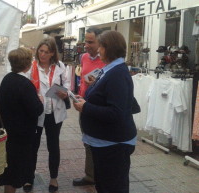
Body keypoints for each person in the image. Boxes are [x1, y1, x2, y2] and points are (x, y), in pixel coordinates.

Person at [73, 30, 137, 193]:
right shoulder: (111, 70)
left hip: (113, 145)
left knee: (113, 187)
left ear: (109, 48)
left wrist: (85, 107)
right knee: (104, 185)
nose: (98, 50)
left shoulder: (117, 74)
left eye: (100, 47)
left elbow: (116, 113)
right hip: (106, 144)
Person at [0, 47, 44, 193]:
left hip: (7, 133)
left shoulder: (7, 79)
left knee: (9, 170)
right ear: (28, 64)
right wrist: (39, 101)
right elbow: (36, 110)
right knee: (14, 174)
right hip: (20, 137)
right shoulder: (25, 84)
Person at [24, 37, 70, 193]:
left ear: (52, 53)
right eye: (40, 51)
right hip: (36, 112)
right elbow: (25, 87)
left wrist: (65, 94)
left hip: (54, 112)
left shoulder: (60, 66)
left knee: (53, 146)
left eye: (46, 52)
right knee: (32, 146)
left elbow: (67, 86)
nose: (42, 54)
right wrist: (33, 95)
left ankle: (54, 178)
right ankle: (29, 178)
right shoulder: (31, 67)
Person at [73, 27, 105, 186]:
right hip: (84, 105)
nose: (86, 45)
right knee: (87, 141)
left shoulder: (107, 60)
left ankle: (100, 176)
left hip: (98, 108)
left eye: (90, 42)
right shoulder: (84, 57)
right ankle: (90, 176)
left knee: (99, 141)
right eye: (86, 41)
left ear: (100, 42)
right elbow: (82, 82)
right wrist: (79, 94)